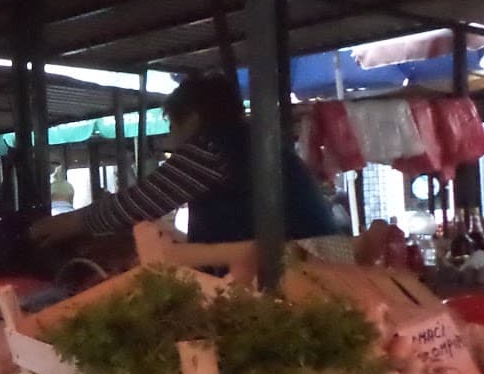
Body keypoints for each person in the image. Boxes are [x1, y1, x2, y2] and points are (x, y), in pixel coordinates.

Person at [33, 75, 337, 247]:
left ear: (192, 118)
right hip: (313, 258)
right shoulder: (253, 142)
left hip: (294, 268)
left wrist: (69, 223)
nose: (172, 137)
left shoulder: (215, 147)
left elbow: (140, 202)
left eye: (172, 126)